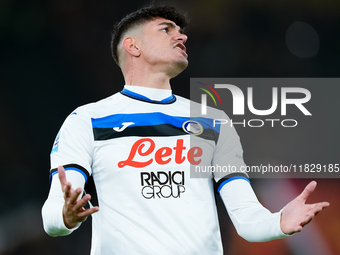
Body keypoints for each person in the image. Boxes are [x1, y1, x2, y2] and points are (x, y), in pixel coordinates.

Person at [41, 5, 329, 255]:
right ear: (133, 46)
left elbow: (246, 217)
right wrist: (66, 218)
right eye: (166, 30)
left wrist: (277, 222)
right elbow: (53, 214)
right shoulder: (87, 119)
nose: (182, 36)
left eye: (180, 30)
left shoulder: (212, 121)